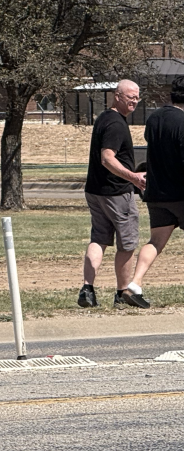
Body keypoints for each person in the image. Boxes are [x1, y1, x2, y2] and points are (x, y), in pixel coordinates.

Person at [79, 79, 148, 309]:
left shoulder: (103, 118)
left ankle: (87, 289)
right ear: (117, 96)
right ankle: (122, 292)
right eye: (130, 97)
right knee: (127, 244)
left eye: (137, 97)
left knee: (99, 239)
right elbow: (107, 158)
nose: (134, 101)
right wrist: (134, 177)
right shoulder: (116, 124)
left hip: (95, 191)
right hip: (116, 193)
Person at [130, 76, 184, 300]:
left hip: (156, 193)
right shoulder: (182, 122)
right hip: (180, 193)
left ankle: (135, 283)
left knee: (155, 242)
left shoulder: (154, 118)